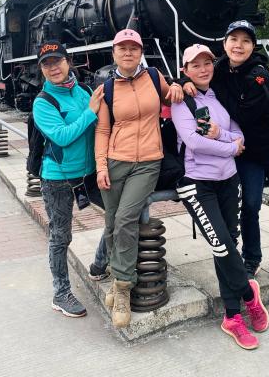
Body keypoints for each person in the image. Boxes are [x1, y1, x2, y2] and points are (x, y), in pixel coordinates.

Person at [172, 43, 269, 350]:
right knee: (222, 244)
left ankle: (232, 317)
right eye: (195, 65)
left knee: (227, 246)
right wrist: (230, 147)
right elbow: (194, 142)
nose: (203, 69)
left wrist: (223, 137)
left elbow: (237, 134)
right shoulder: (182, 101)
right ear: (185, 70)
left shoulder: (219, 96)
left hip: (228, 180)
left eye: (207, 63)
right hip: (198, 184)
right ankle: (249, 294)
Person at [183, 21, 269, 280]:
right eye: (233, 39)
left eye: (246, 41)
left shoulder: (258, 74)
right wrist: (182, 83)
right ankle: (251, 257)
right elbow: (199, 74)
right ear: (224, 44)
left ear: (253, 46)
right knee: (250, 205)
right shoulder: (221, 68)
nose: (239, 45)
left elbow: (243, 114)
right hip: (247, 152)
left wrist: (220, 130)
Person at [95, 29, 183, 329]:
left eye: (134, 48)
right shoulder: (107, 88)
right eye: (122, 48)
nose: (128, 52)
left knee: (125, 219)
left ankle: (122, 288)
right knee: (111, 222)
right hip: (115, 161)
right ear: (114, 53)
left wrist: (182, 86)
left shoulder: (155, 77)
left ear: (141, 52)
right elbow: (102, 130)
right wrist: (101, 166)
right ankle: (116, 274)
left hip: (147, 162)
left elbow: (173, 94)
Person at [32, 40, 104, 318]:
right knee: (61, 236)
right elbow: (62, 136)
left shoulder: (84, 90)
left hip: (90, 173)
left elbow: (101, 124)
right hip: (57, 178)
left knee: (119, 216)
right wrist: (90, 112)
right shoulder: (43, 102)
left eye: (57, 61)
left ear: (68, 62)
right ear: (42, 69)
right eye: (47, 64)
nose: (53, 68)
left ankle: (99, 264)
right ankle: (61, 293)